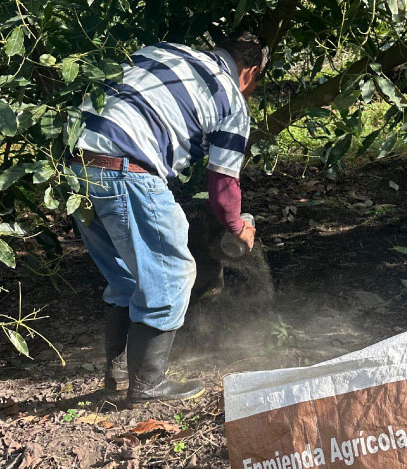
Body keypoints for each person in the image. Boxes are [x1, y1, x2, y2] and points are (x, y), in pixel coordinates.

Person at [68, 32, 266, 405]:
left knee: (126, 275)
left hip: (77, 165)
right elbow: (223, 186)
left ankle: (119, 375)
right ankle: (148, 385)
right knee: (172, 274)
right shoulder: (231, 99)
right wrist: (239, 228)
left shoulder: (163, 52)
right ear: (249, 72)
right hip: (127, 171)